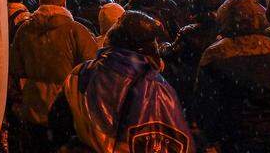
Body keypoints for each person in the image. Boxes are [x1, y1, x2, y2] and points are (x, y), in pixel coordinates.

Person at [49, 11, 193, 153]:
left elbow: (59, 122)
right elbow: (176, 139)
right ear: (145, 48)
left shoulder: (80, 73)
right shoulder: (155, 86)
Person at [194, 0, 270, 152]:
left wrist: (212, 138)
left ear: (223, 20)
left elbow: (206, 106)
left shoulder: (213, 55)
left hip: (240, 140)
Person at [10, 0, 98, 152]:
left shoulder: (24, 30)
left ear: (40, 2)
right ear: (63, 3)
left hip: (33, 109)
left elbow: (16, 68)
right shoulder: (76, 31)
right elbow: (92, 70)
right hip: (67, 111)